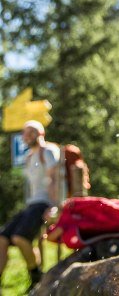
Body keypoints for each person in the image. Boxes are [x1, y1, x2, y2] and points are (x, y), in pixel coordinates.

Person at [0, 121, 59, 291]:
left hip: (44, 203)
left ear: (40, 133)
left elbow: (54, 179)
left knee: (20, 238)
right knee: (2, 238)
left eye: (31, 132)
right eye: (25, 133)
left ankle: (35, 275)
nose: (26, 136)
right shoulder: (28, 157)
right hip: (31, 204)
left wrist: (55, 206)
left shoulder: (48, 151)